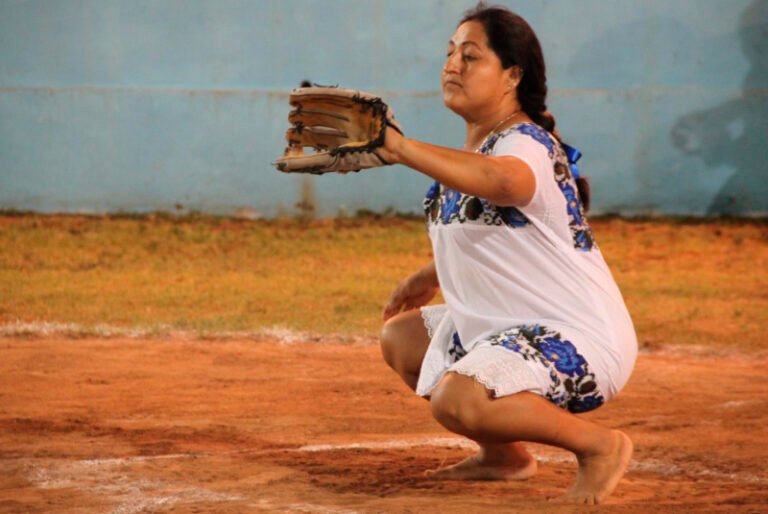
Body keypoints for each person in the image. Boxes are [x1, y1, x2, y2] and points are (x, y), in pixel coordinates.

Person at [375, 2, 638, 505]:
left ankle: (601, 448)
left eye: (470, 57)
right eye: (450, 53)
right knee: (403, 339)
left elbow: (505, 184)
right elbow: (494, 226)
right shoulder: (482, 146)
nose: (452, 65)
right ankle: (505, 457)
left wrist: (402, 149)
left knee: (459, 399)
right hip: (510, 329)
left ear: (512, 75)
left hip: (577, 336)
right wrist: (428, 274)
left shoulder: (525, 142)